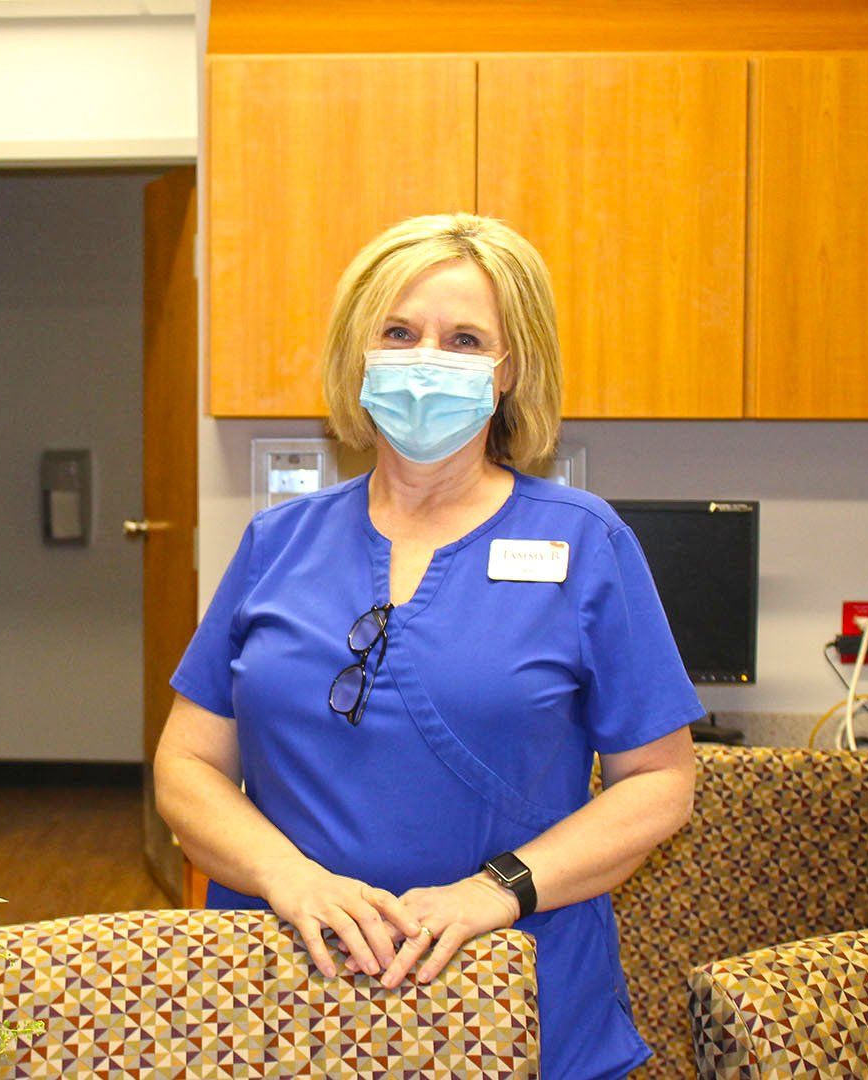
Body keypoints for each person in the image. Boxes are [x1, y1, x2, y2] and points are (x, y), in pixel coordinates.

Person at [154, 213, 701, 1079]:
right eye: (400, 332)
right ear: (359, 352)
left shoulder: (585, 544)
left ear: (508, 368)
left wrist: (496, 892)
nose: (426, 358)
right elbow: (187, 765)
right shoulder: (276, 545)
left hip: (520, 994)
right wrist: (289, 875)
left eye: (464, 338)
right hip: (286, 995)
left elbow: (662, 783)